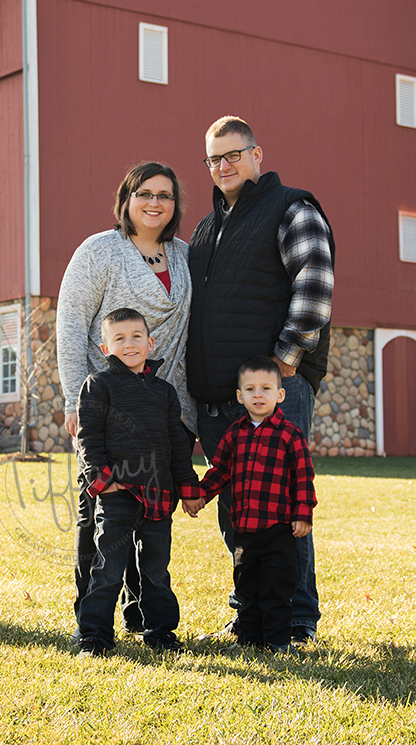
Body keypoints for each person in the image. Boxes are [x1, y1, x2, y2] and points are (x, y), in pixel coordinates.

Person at [186, 116, 334, 645]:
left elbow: (314, 282)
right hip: (217, 400)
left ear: (256, 154)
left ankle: (295, 619)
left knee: (282, 508)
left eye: (233, 154)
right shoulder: (206, 229)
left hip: (271, 392)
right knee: (238, 512)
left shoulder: (292, 208)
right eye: (214, 158)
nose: (223, 165)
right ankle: (250, 614)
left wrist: (285, 361)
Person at [56, 162, 197, 638]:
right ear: (127, 199)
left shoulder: (184, 255)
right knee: (101, 519)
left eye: (165, 195)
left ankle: (143, 618)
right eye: (144, 193)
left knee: (151, 525)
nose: (155, 203)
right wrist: (74, 400)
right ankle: (90, 620)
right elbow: (71, 326)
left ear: (175, 205)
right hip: (106, 408)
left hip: (164, 409)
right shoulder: (100, 251)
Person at [74, 308, 202, 656]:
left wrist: (188, 489)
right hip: (118, 493)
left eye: (136, 337)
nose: (129, 344)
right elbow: (89, 438)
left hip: (159, 493)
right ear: (105, 349)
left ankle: (160, 632)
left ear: (150, 342)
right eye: (119, 339)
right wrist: (103, 481)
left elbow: (177, 447)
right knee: (108, 569)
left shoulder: (165, 392)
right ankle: (95, 636)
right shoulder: (98, 385)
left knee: (156, 571)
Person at [184, 356, 317, 653]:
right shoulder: (235, 433)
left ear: (280, 395)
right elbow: (220, 470)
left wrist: (303, 513)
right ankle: (248, 639)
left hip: (278, 530)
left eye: (266, 388)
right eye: (251, 389)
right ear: (239, 396)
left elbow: (303, 477)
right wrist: (201, 495)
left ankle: (277, 642)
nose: (258, 395)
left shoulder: (289, 434)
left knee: (276, 588)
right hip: (244, 530)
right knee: (247, 587)